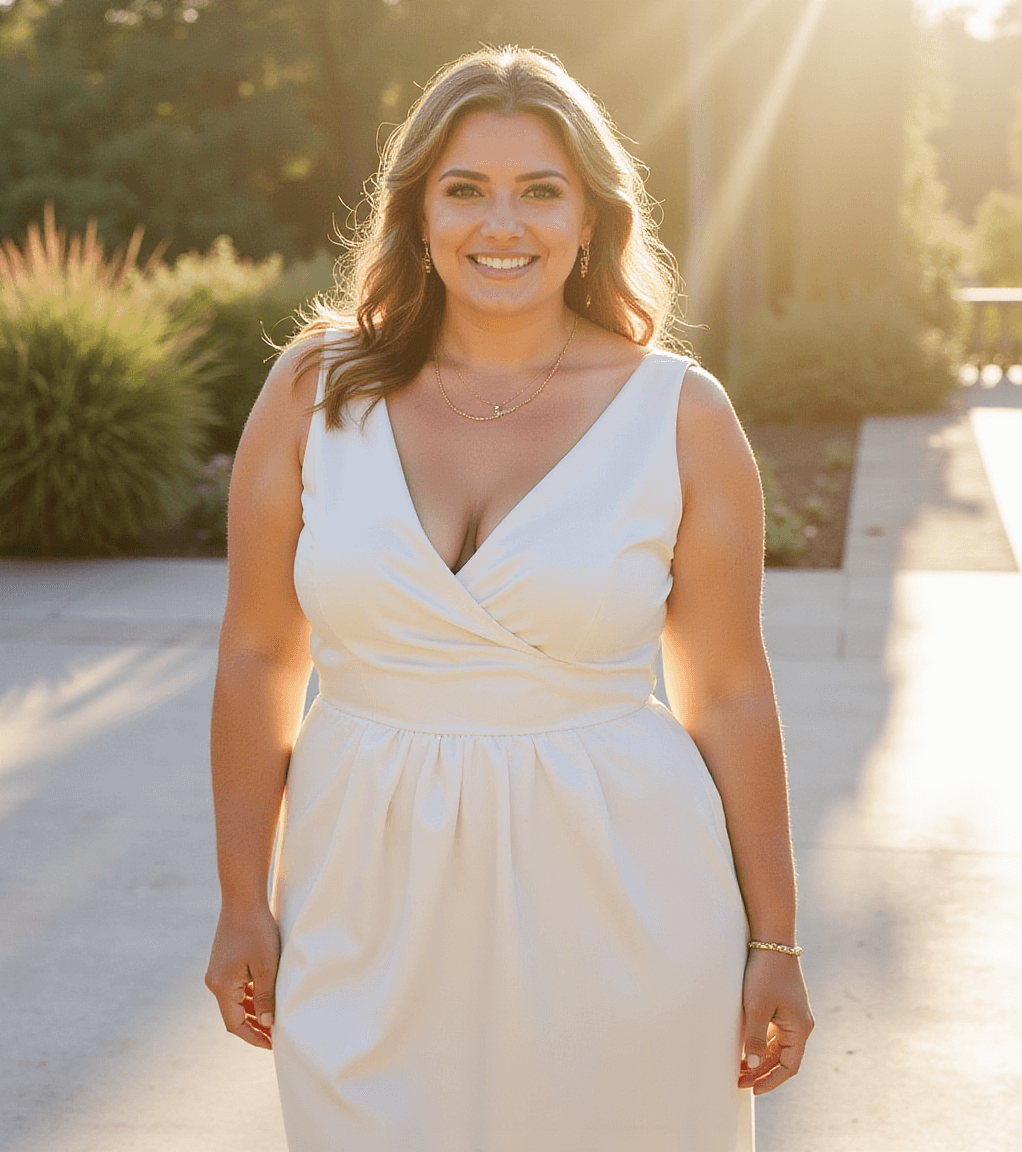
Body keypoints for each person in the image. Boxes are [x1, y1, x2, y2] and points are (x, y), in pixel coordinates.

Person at [204, 46, 813, 1151]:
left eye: (541, 191)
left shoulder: (679, 415)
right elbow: (256, 657)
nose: (504, 224)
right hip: (362, 893)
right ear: (418, 215)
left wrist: (774, 942)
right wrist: (241, 896)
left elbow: (725, 692)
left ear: (590, 221)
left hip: (623, 892)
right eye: (465, 189)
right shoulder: (311, 388)